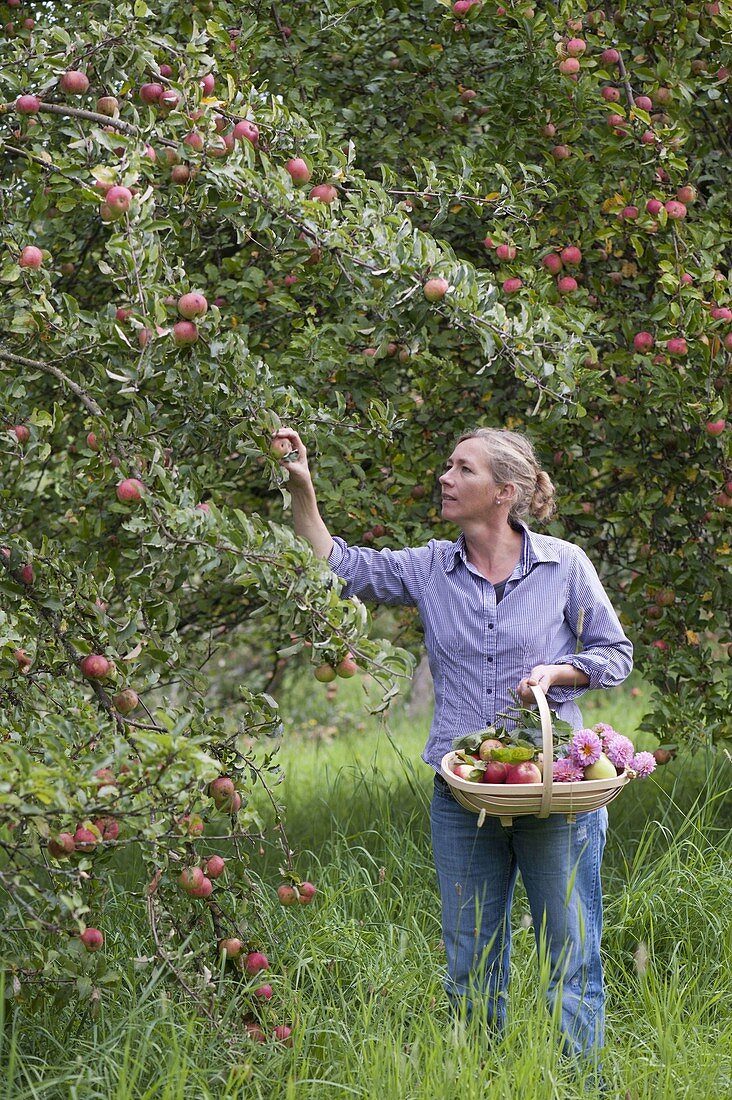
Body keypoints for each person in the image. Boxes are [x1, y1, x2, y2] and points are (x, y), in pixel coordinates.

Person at [272, 424, 633, 1071]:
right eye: (448, 466)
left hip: (555, 789)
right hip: (463, 791)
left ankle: (583, 1084)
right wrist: (304, 490)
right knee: (470, 964)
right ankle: (480, 1079)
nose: (445, 478)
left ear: (504, 492)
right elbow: (339, 567)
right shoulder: (429, 567)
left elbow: (614, 654)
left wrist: (558, 673)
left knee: (572, 958)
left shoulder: (564, 565)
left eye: (462, 469)